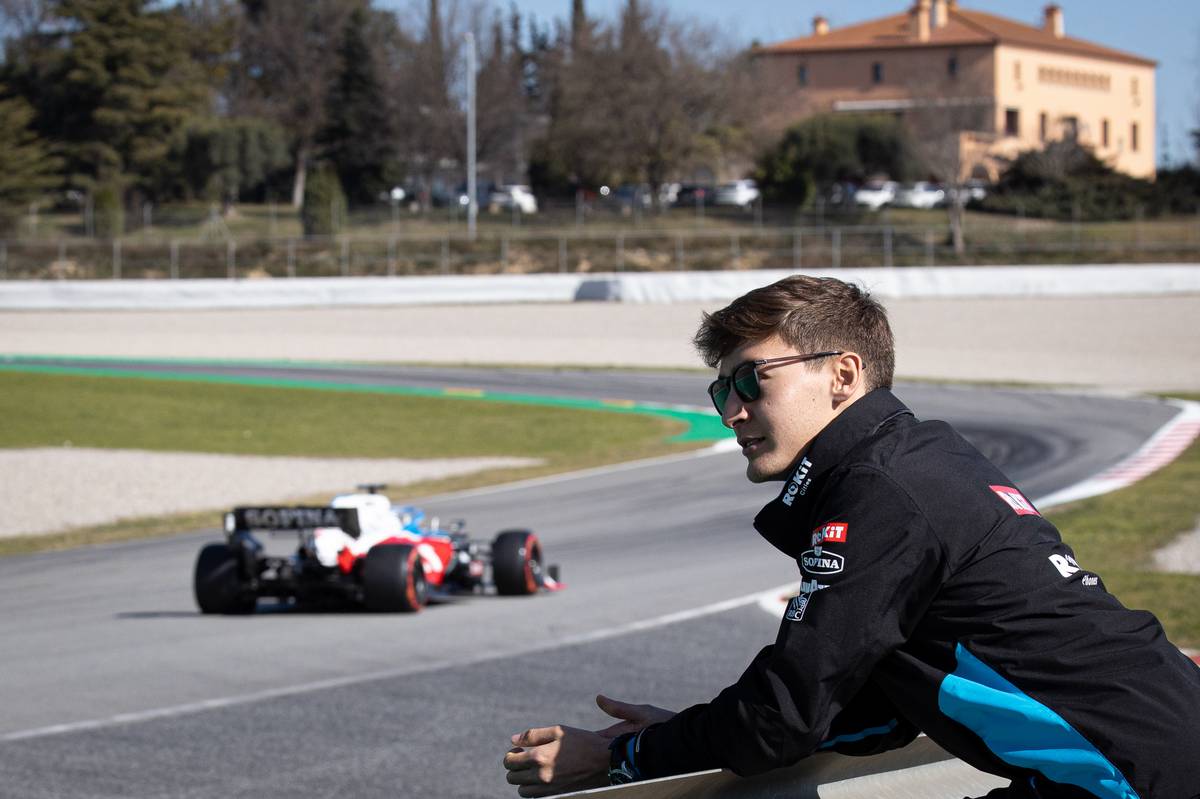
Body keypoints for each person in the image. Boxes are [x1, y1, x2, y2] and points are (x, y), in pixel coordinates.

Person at [502, 275, 1200, 798]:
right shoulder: (920, 459)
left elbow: (784, 716)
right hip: (1144, 753)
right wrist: (676, 734)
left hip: (1128, 775)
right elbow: (870, 708)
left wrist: (626, 756)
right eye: (720, 391)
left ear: (842, 375)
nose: (732, 411)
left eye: (750, 380)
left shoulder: (882, 493)